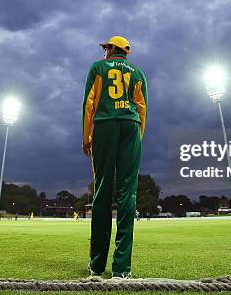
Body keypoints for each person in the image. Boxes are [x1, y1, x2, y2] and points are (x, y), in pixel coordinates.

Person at [82, 36, 148, 279]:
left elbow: (89, 103)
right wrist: (137, 138)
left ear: (112, 49)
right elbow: (142, 108)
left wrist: (87, 137)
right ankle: (122, 269)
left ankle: (97, 265)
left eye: (105, 48)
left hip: (105, 126)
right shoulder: (138, 72)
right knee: (128, 195)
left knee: (102, 192)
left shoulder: (98, 68)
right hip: (131, 127)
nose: (104, 52)